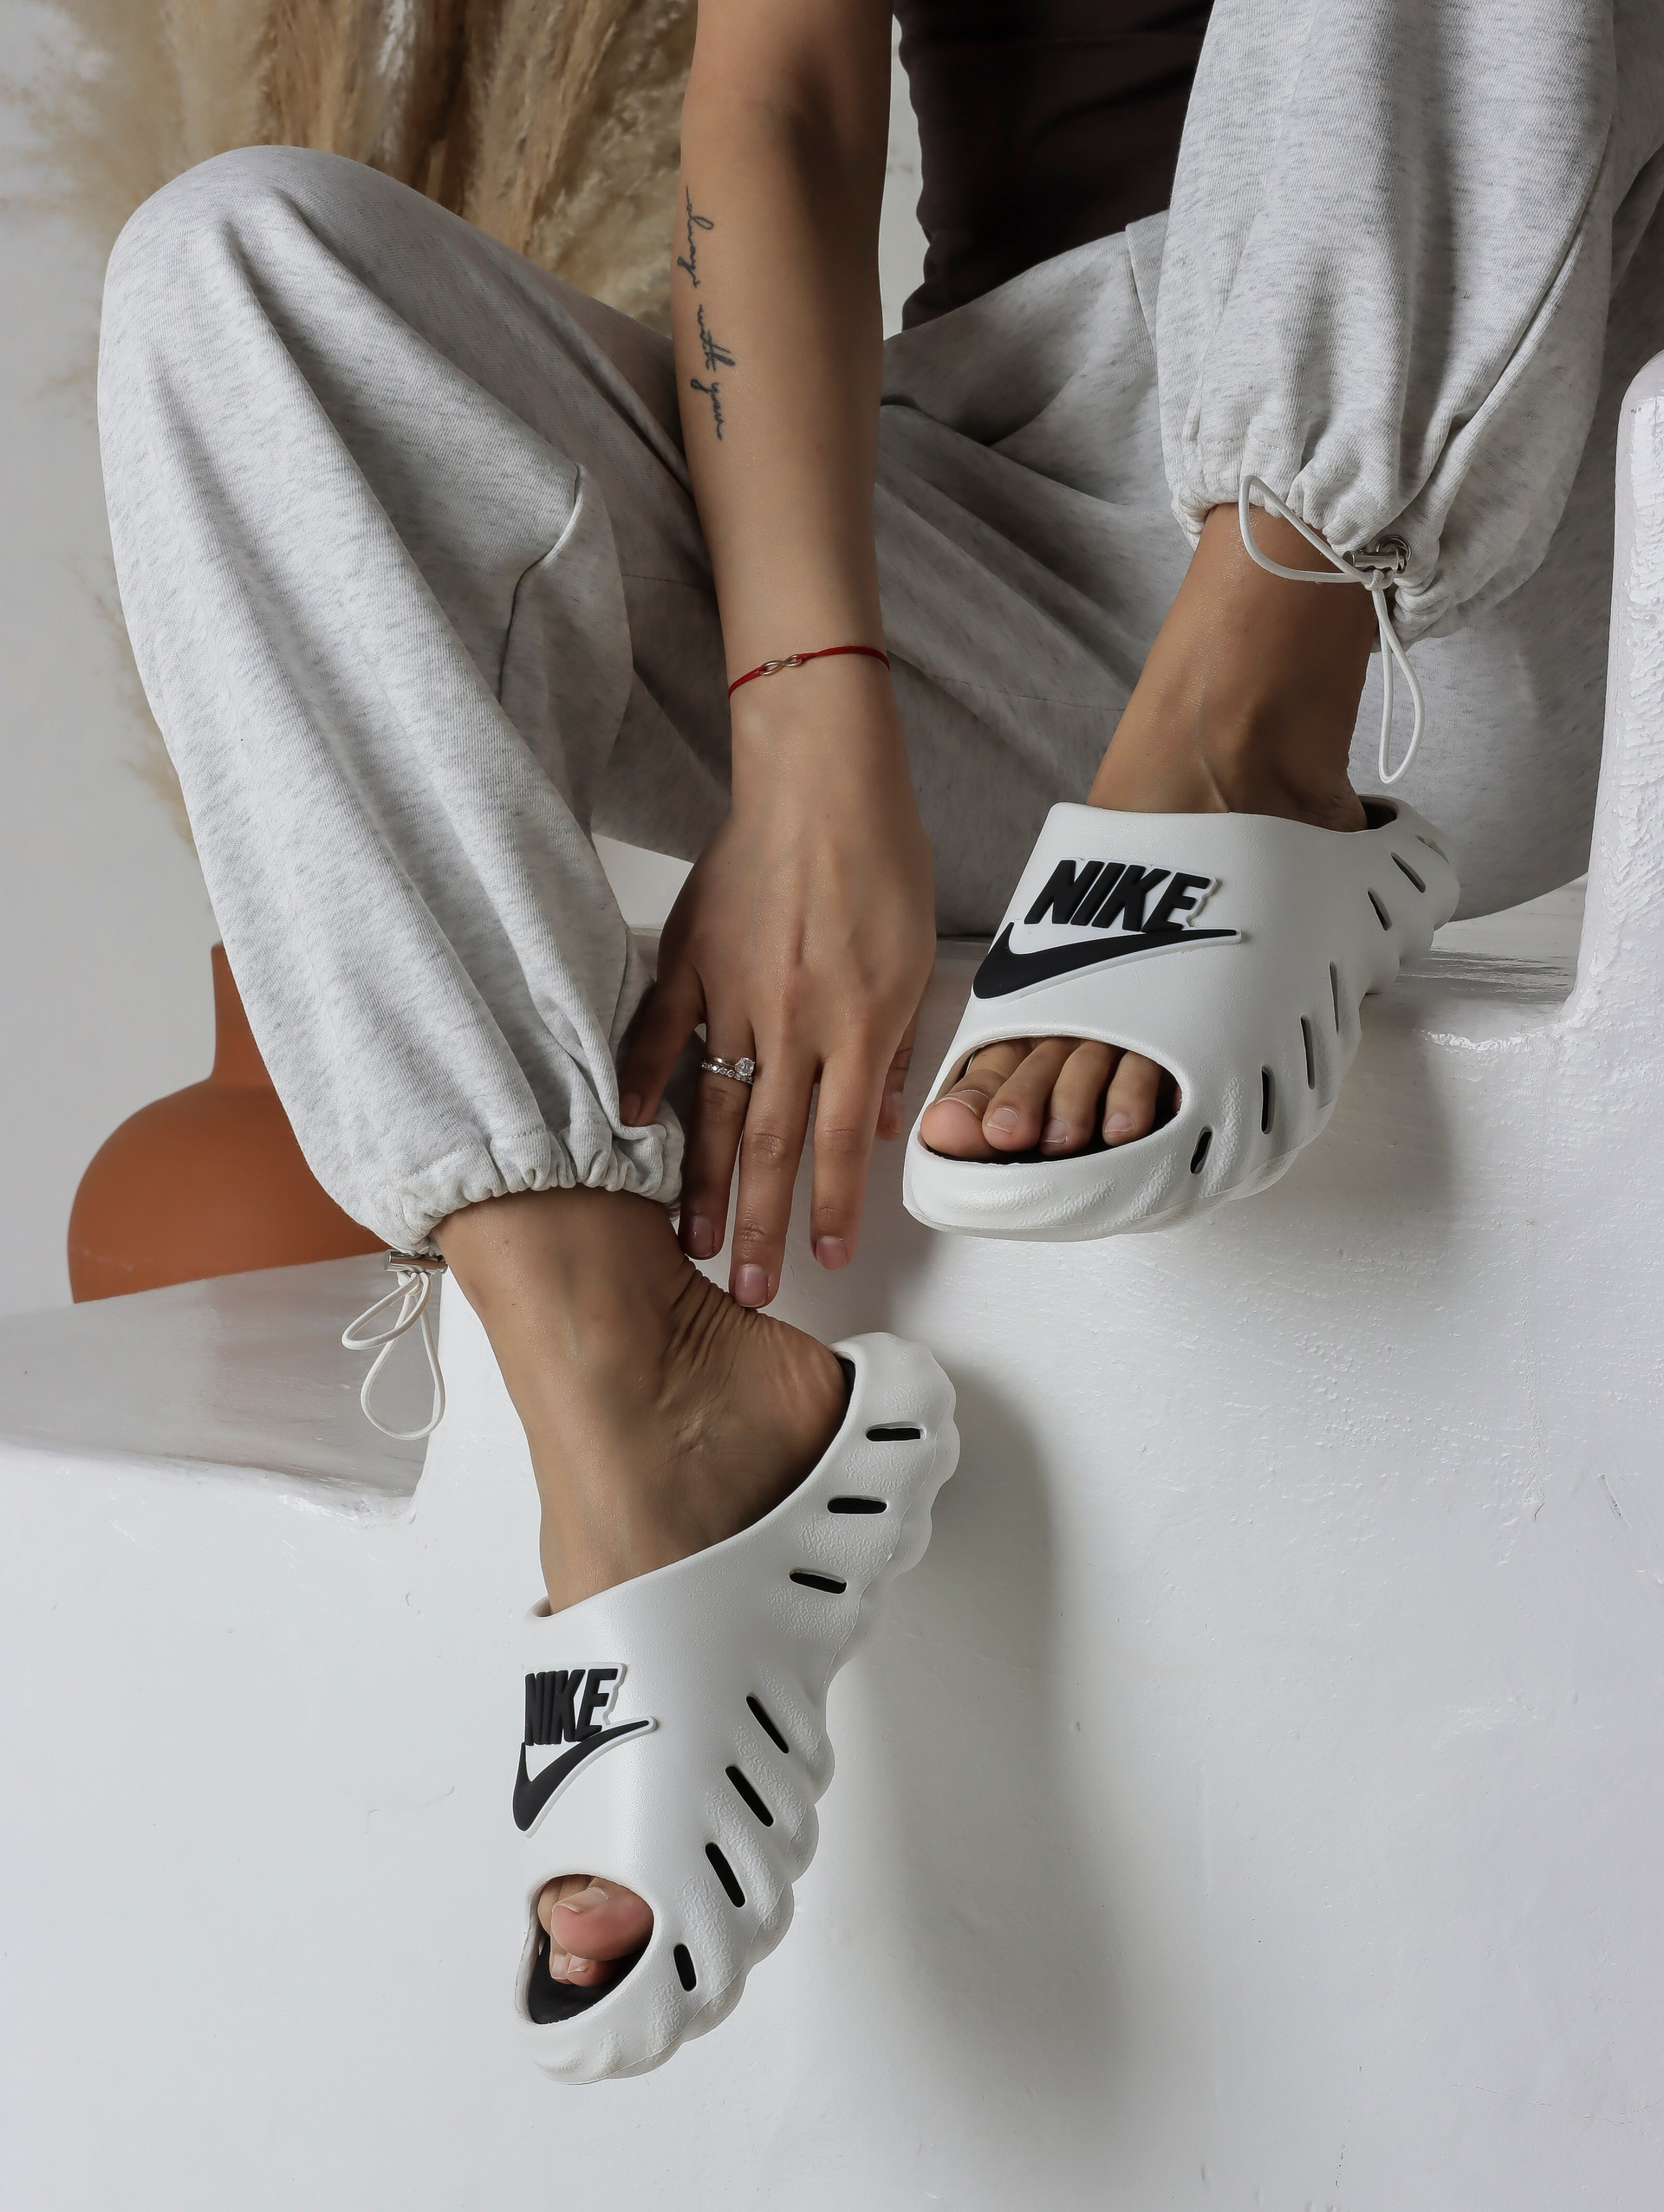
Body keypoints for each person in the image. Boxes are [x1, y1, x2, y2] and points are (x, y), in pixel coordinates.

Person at [99, 0, 1664, 2066]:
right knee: (237, 280)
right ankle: (629, 1386)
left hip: (1480, 470)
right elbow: (783, 102)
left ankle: (1246, 724)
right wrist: (806, 721)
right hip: (993, 529)